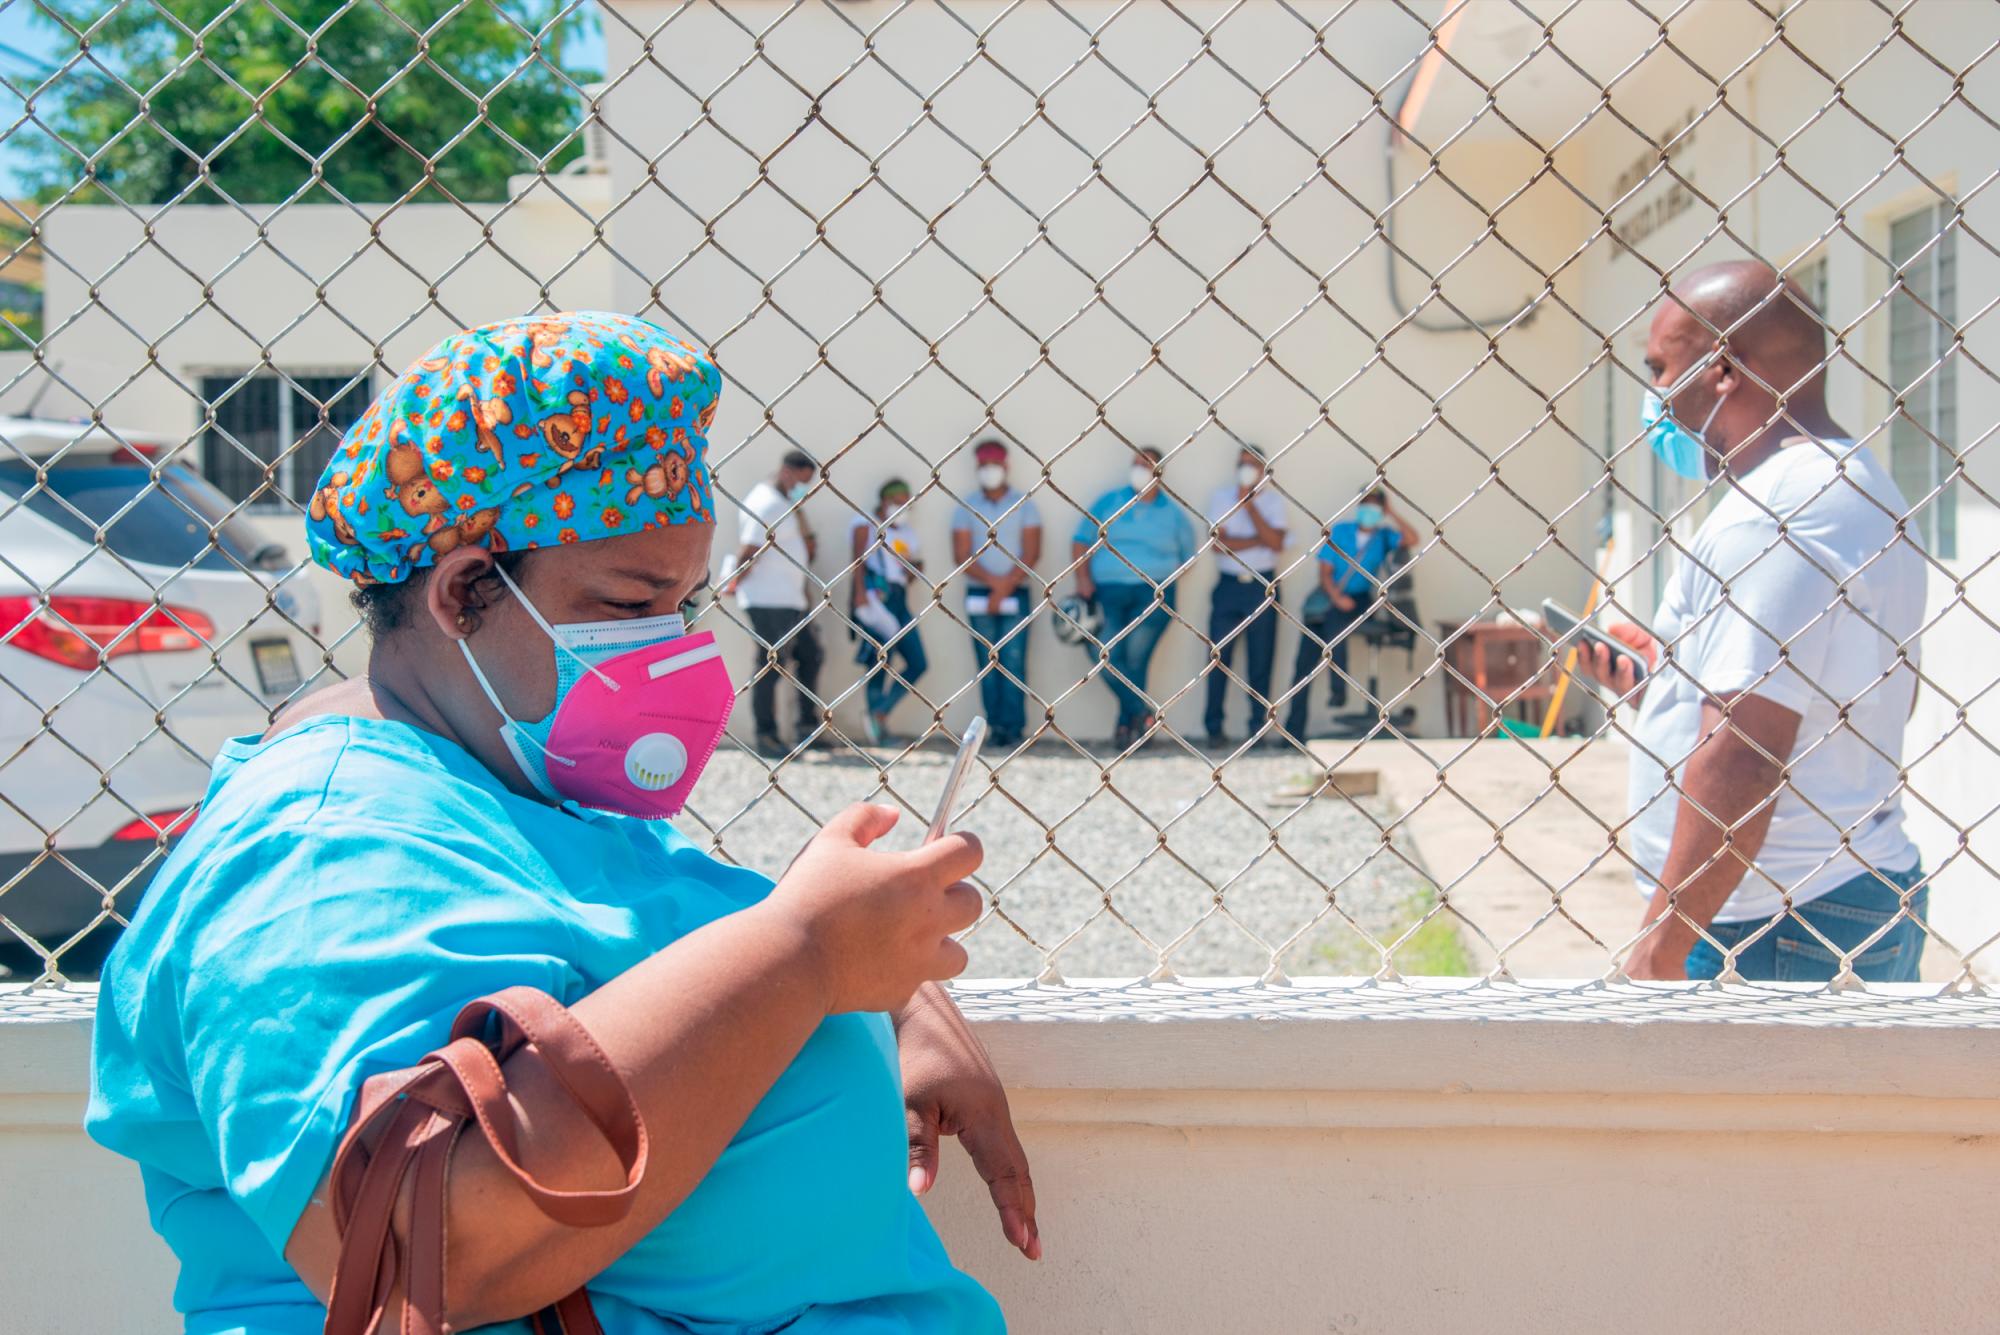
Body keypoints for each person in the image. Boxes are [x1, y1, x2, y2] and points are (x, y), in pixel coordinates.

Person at [85, 313, 1034, 1335]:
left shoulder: (511, 772)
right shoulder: (312, 858)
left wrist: (877, 996)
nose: (673, 649)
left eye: (686, 604)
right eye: (631, 606)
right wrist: (799, 957)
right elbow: (419, 1249)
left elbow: (636, 960)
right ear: (462, 594)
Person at [1581, 260, 1927, 983]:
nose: (1655, 399)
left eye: (1661, 370)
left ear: (1723, 371)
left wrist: (1659, 946)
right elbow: (1835, 700)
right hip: (1821, 895)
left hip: (1770, 923)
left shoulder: (1775, 514)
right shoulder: (1857, 483)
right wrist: (1667, 682)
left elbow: (1744, 747)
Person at [1071, 446, 1196, 750]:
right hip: (1108, 591)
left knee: (1137, 657)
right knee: (1106, 655)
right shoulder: (1108, 502)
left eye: (1147, 464)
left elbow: (1189, 555)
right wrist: (1083, 579)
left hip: (1153, 593)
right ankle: (1142, 715)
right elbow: (1081, 540)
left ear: (1159, 472)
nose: (1140, 469)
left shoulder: (1173, 513)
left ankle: (1128, 726)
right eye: (1136, 463)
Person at [1283, 487, 1416, 741]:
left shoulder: (1384, 536)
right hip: (1329, 598)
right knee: (1304, 666)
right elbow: (1324, 571)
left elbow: (1413, 538)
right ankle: (1293, 731)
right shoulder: (1341, 532)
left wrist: (1392, 514)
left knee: (1337, 629)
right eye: (1365, 504)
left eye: (1376, 506)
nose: (1370, 511)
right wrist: (1336, 597)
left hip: (1360, 599)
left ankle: (1338, 689)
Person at [725, 449, 826, 757]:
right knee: (771, 663)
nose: (803, 488)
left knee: (811, 655)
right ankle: (765, 735)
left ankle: (807, 727)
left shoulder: (785, 502)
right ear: (786, 472)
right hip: (768, 599)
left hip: (790, 599)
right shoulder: (766, 502)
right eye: (801, 481)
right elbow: (750, 549)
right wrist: (734, 581)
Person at [951, 439, 1043, 749]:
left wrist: (1004, 586)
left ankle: (1014, 727)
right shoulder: (967, 506)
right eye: (984, 465)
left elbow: (1031, 552)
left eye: (995, 464)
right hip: (980, 590)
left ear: (1006, 466)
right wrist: (993, 585)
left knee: (1014, 662)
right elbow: (962, 555)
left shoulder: (1024, 504)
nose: (990, 471)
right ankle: (993, 728)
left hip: (1016, 589)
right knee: (986, 663)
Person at [1202, 444, 1287, 749]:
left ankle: (1258, 728)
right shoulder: (1221, 497)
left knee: (1260, 658)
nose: (1246, 469)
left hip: (1262, 586)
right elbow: (1217, 543)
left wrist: (1250, 507)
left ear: (1263, 469)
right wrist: (1256, 540)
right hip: (1228, 585)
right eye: (1242, 463)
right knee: (1218, 659)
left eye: (1252, 464)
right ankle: (1214, 728)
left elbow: (1276, 542)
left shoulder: (1275, 502)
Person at [849, 477, 928, 746]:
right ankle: (876, 725)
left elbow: (913, 567)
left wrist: (914, 571)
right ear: (886, 501)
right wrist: (858, 595)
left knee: (918, 662)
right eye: (899, 501)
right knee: (879, 661)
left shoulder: (907, 533)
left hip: (899, 596)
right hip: (875, 598)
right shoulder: (866, 524)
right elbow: (857, 561)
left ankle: (880, 711)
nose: (904, 507)